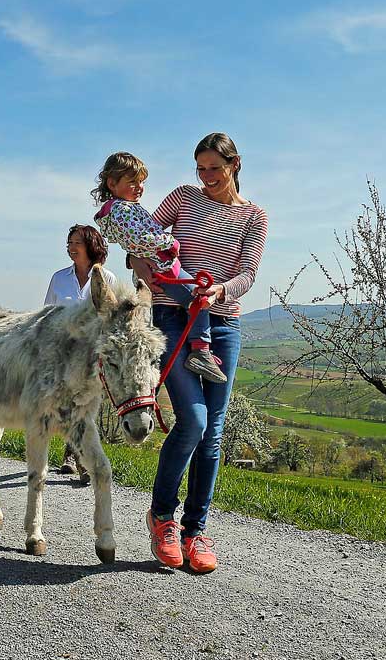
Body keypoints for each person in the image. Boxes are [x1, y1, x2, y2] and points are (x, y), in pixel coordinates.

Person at [130, 133, 267, 573]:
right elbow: (138, 238)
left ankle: (195, 531)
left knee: (212, 434)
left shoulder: (254, 216)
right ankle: (162, 517)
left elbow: (247, 274)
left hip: (222, 324)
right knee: (193, 420)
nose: (207, 177)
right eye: (201, 168)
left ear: (234, 164)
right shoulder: (184, 197)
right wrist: (140, 265)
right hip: (173, 318)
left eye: (215, 168)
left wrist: (219, 291)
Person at [93, 151, 225, 383]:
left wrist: (136, 257)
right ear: (112, 184)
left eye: (141, 182)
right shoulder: (122, 211)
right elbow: (140, 238)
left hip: (160, 265)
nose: (139, 187)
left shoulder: (122, 209)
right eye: (132, 182)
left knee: (195, 299)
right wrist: (170, 242)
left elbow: (134, 241)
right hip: (163, 267)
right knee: (199, 300)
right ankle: (201, 351)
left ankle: (199, 348)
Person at [44, 224, 117, 483]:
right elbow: (47, 313)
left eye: (76, 243)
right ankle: (74, 454)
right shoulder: (59, 278)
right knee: (65, 404)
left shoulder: (108, 279)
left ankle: (78, 457)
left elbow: (111, 317)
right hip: (62, 352)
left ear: (91, 245)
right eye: (69, 243)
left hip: (91, 354)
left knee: (85, 406)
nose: (71, 247)